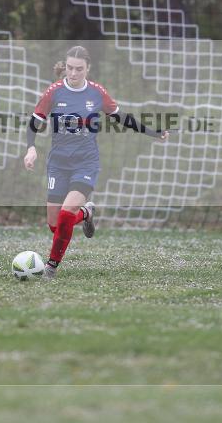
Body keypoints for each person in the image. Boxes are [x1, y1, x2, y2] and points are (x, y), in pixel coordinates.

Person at [24, 46, 168, 279]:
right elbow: (33, 123)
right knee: (55, 224)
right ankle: (86, 213)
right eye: (70, 68)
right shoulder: (54, 92)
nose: (73, 73)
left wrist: (153, 132)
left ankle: (50, 267)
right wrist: (30, 148)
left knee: (65, 215)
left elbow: (123, 118)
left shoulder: (97, 93)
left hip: (86, 163)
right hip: (58, 163)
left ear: (88, 69)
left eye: (79, 69)